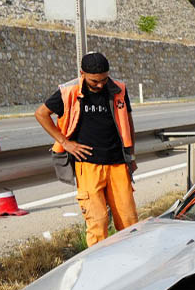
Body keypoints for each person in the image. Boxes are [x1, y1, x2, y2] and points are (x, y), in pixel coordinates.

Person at [35, 51, 137, 247]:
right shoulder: (68, 91)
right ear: (82, 73)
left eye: (103, 80)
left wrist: (130, 155)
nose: (100, 85)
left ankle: (129, 264)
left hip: (117, 164)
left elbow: (128, 122)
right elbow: (41, 114)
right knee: (97, 223)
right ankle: (98, 270)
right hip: (88, 167)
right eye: (94, 82)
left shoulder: (118, 89)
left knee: (129, 222)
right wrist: (65, 143)